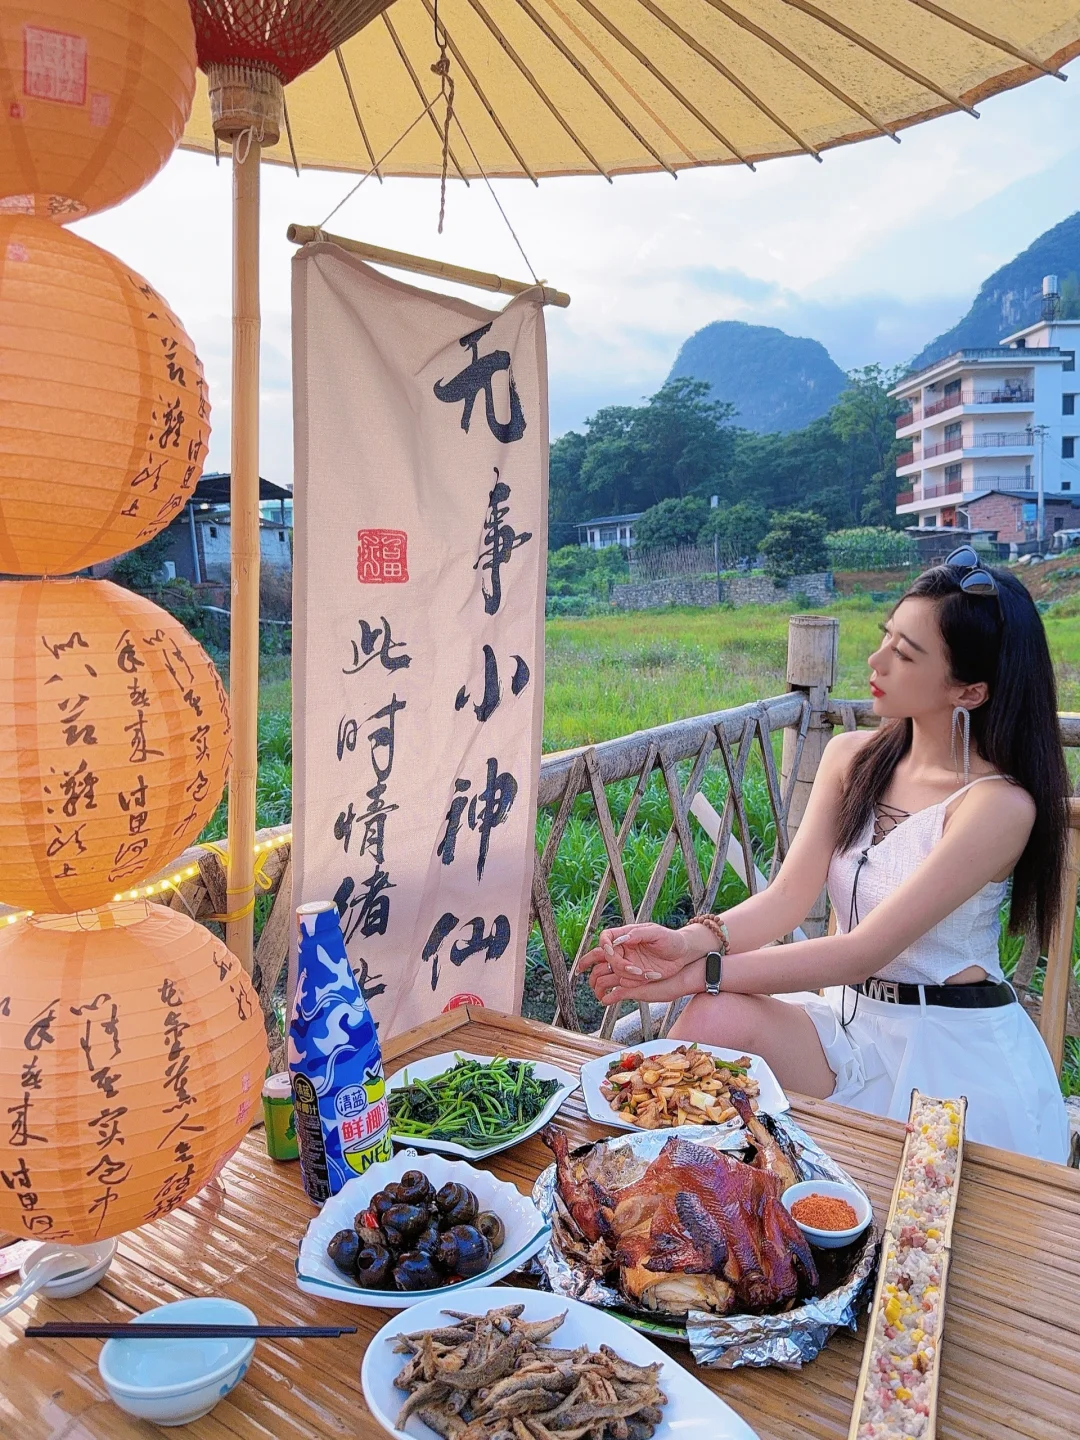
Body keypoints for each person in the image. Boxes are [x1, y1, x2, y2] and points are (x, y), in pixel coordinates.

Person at [581, 547, 1070, 1163]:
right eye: (886, 637)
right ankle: (641, 1178)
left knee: (911, 1227)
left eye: (905, 654)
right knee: (712, 1019)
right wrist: (687, 942)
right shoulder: (851, 758)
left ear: (969, 691)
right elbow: (787, 899)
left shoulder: (997, 806)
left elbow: (861, 951)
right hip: (849, 1026)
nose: (876, 660)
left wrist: (696, 973)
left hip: (949, 1050)